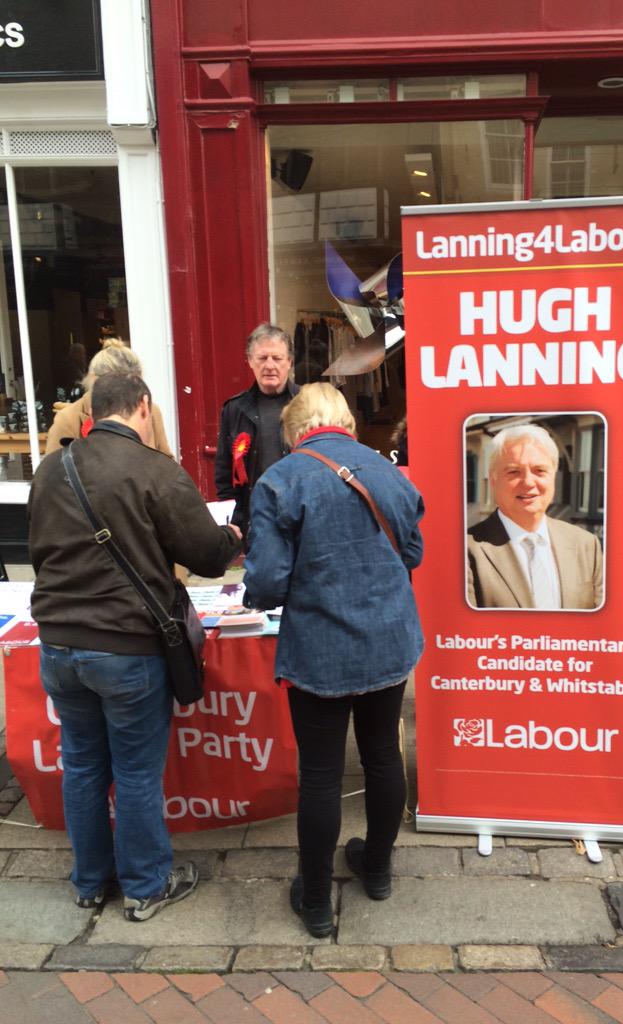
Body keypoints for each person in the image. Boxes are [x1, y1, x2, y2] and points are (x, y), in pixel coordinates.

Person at [28, 373, 241, 921]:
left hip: (57, 643)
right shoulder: (153, 468)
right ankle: (146, 887)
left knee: (81, 764)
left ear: (93, 412)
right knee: (138, 771)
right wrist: (232, 540)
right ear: (143, 407)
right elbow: (208, 555)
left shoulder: (52, 469)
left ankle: (90, 882)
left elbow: (39, 548)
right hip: (126, 647)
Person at [244, 382, 424, 938]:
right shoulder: (388, 471)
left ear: (295, 433)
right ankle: (377, 870)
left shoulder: (281, 479)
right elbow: (414, 551)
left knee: (321, 777)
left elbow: (269, 581)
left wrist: (262, 590)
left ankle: (317, 901)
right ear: (345, 423)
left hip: (320, 649)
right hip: (388, 640)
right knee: (381, 758)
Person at [467, 424, 603, 610]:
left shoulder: (586, 545)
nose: (529, 482)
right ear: (493, 480)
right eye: (514, 472)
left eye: (540, 470)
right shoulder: (466, 550)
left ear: (553, 477)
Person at [215, 323, 300, 538]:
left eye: (277, 358)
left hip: (301, 515)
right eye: (262, 358)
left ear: (289, 361)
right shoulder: (235, 409)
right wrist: (234, 520)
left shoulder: (307, 403)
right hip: (256, 521)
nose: (269, 365)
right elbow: (224, 471)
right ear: (250, 361)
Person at [46, 339, 173, 456]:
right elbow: (53, 474)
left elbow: (167, 464)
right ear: (93, 379)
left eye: (129, 384)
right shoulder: (68, 419)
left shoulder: (150, 410)